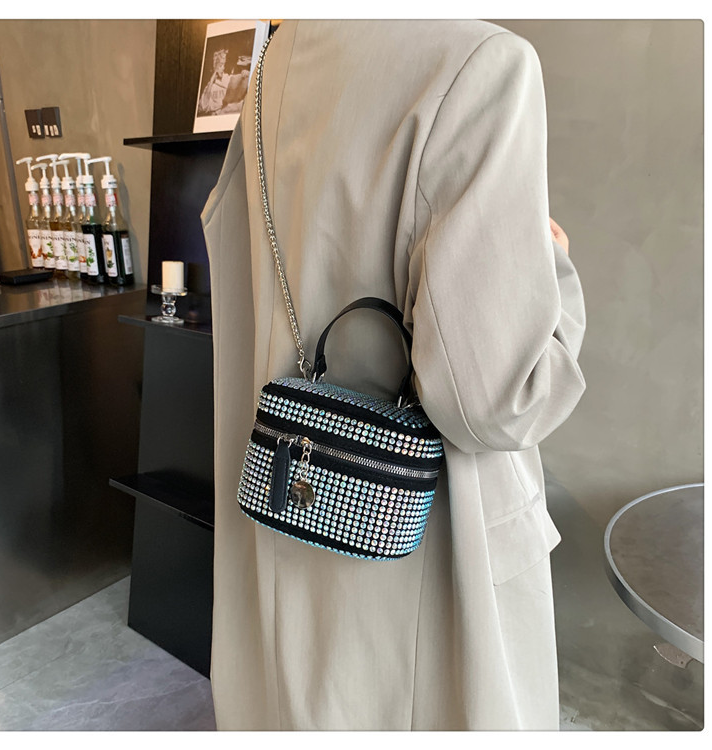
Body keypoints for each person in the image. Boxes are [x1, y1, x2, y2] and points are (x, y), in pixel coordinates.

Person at [202, 20, 586, 730]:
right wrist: (551, 262)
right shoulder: (485, 63)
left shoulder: (274, 62)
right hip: (420, 566)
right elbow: (497, 403)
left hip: (284, 506)